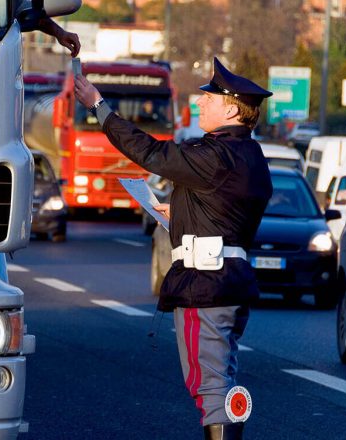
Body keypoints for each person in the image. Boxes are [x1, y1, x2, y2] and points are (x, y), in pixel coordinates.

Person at [74, 56, 273, 440]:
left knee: (210, 389)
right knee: (222, 383)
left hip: (205, 286)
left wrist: (99, 107)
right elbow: (226, 214)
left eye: (210, 98)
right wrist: (180, 210)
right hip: (228, 284)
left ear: (231, 108)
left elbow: (151, 153)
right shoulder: (250, 156)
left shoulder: (215, 155)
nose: (200, 102)